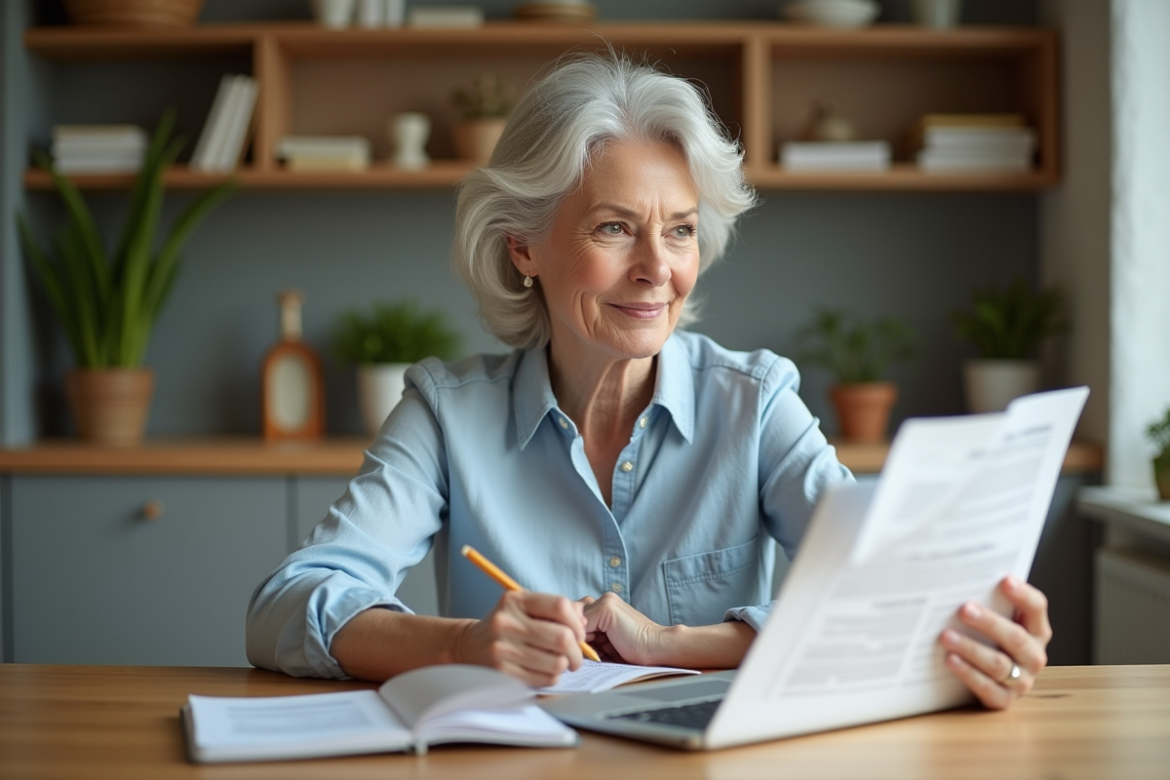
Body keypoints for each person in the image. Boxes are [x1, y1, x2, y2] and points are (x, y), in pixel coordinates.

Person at [246, 53, 1051, 711]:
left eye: (680, 231)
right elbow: (288, 605)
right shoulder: (447, 414)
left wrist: (672, 646)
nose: (657, 270)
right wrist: (460, 643)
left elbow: (877, 591)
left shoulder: (756, 401)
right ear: (523, 245)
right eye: (613, 228)